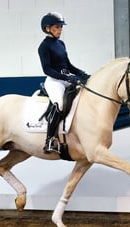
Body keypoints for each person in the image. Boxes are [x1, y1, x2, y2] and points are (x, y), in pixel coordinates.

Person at [38, 12, 90, 154]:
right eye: (57, 27)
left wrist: (82, 73)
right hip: (54, 81)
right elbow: (47, 69)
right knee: (59, 104)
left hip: (66, 79)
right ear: (47, 28)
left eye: (61, 27)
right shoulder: (43, 46)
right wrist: (67, 78)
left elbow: (69, 65)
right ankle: (49, 140)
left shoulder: (61, 44)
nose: (60, 30)